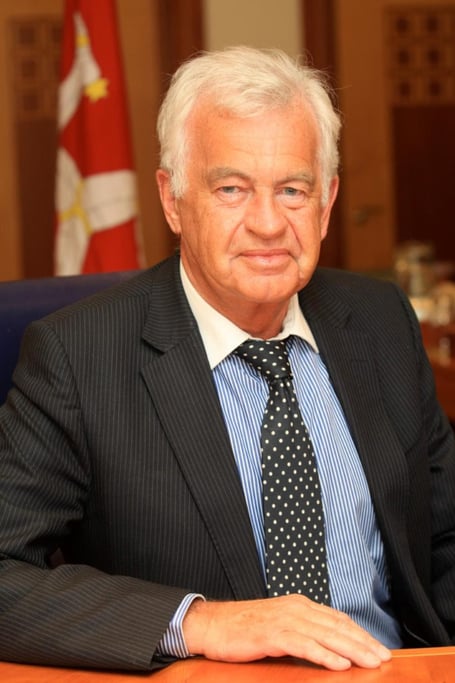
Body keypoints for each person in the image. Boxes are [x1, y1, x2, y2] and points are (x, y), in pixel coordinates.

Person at [0, 46, 454, 674]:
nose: (268, 224)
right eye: (231, 189)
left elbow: (445, 534)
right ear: (172, 199)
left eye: (292, 190)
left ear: (326, 203)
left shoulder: (380, 321)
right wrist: (198, 621)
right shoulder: (79, 358)